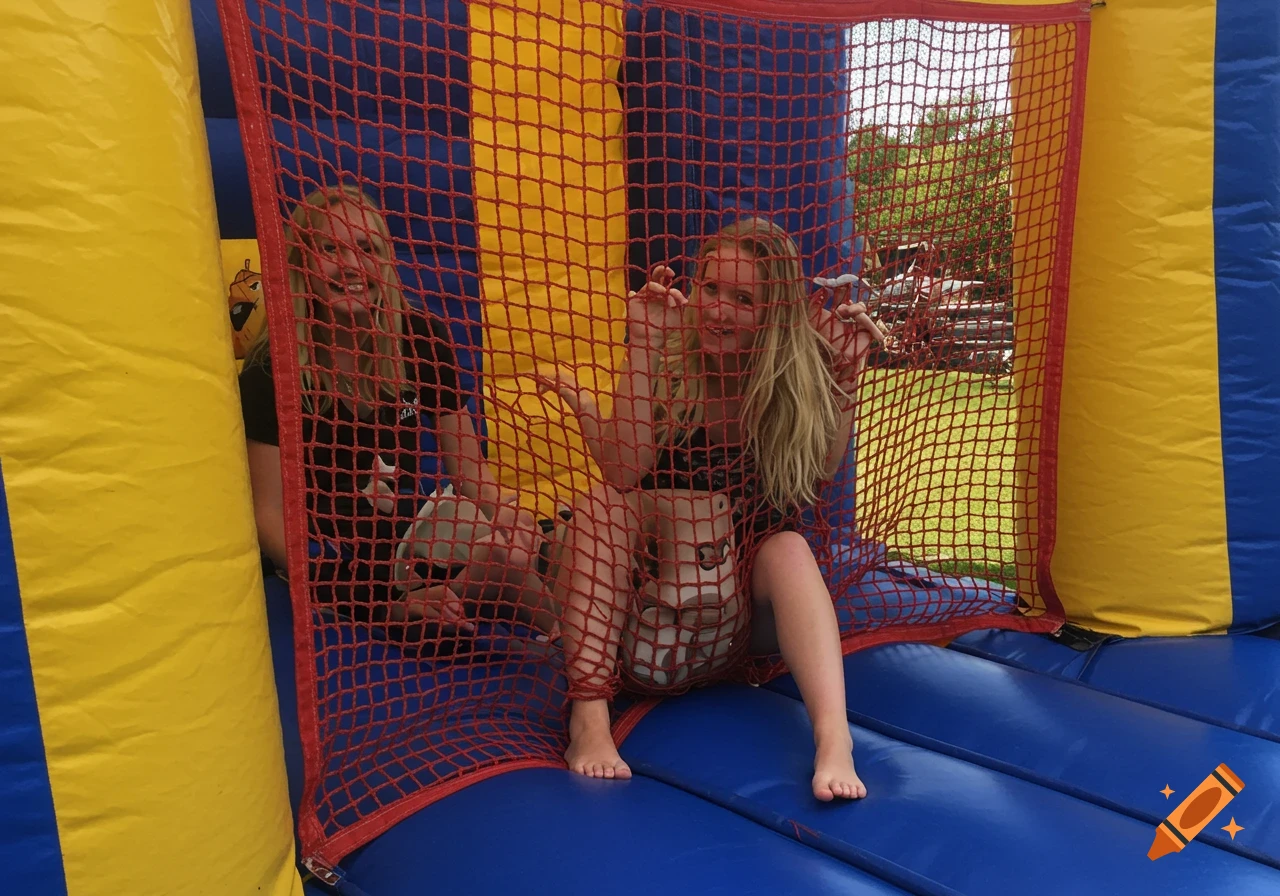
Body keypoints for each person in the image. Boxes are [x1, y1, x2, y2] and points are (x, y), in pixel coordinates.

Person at [537, 217, 879, 801]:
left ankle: (833, 737)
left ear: (773, 312)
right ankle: (589, 719)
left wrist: (843, 379)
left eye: (742, 298)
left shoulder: (790, 378)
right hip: (653, 608)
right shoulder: (671, 360)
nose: (717, 310)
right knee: (602, 508)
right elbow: (621, 470)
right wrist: (641, 347)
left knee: (790, 547)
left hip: (739, 618)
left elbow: (822, 469)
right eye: (710, 288)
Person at [240, 184, 553, 636]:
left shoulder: (419, 338)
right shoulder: (273, 374)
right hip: (330, 565)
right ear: (301, 263)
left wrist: (505, 514)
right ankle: (581, 661)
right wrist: (369, 601)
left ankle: (588, 656)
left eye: (366, 248)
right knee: (489, 570)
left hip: (409, 538)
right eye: (331, 248)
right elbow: (268, 517)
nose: (352, 265)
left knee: (528, 546)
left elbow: (470, 473)